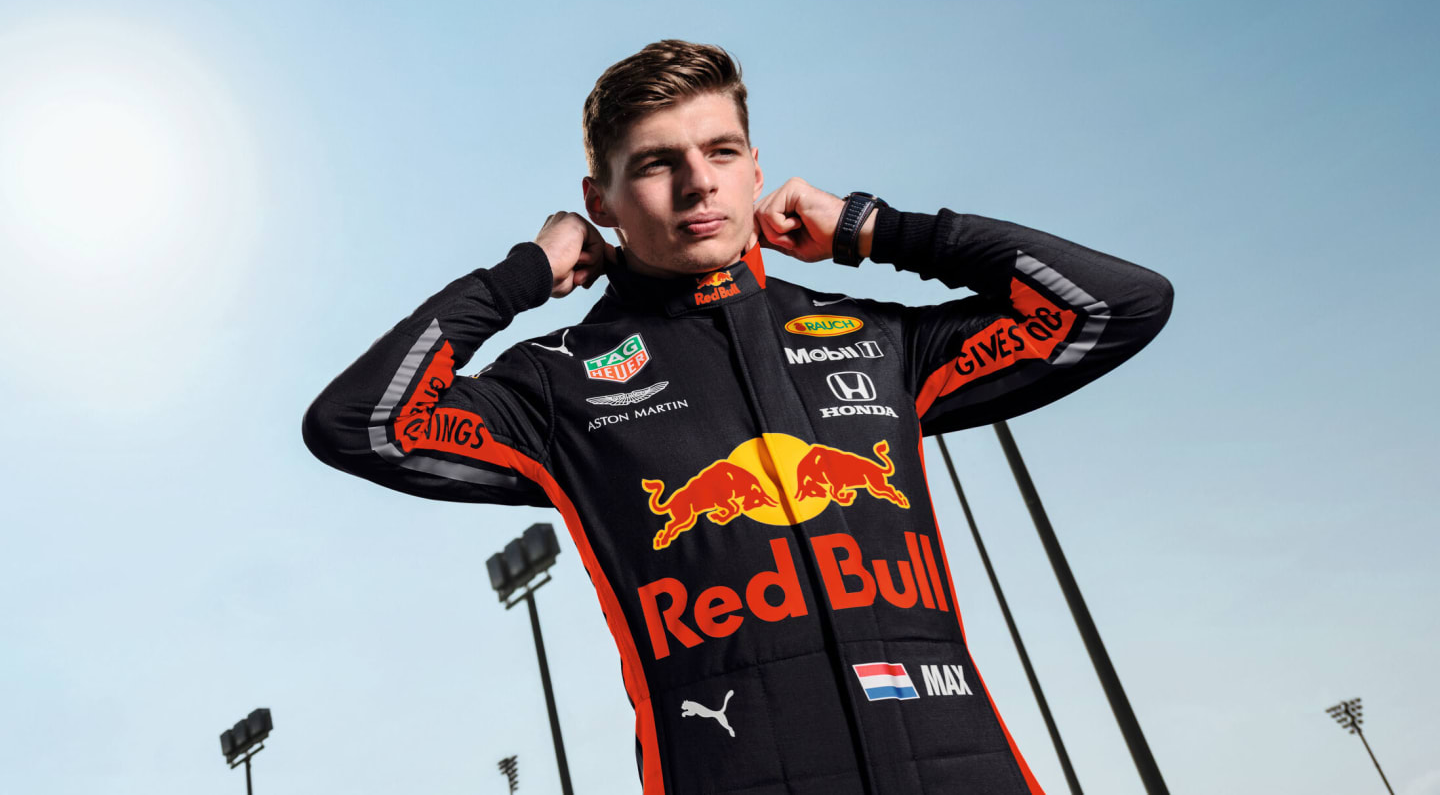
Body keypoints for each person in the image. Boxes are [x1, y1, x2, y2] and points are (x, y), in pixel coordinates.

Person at [303, 39, 1173, 795]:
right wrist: (520, 277)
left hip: (964, 767)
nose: (697, 183)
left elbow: (1120, 304)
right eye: (654, 163)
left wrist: (884, 231)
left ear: (757, 167)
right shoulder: (553, 388)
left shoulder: (880, 342)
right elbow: (358, 422)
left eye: (721, 151)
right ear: (598, 201)